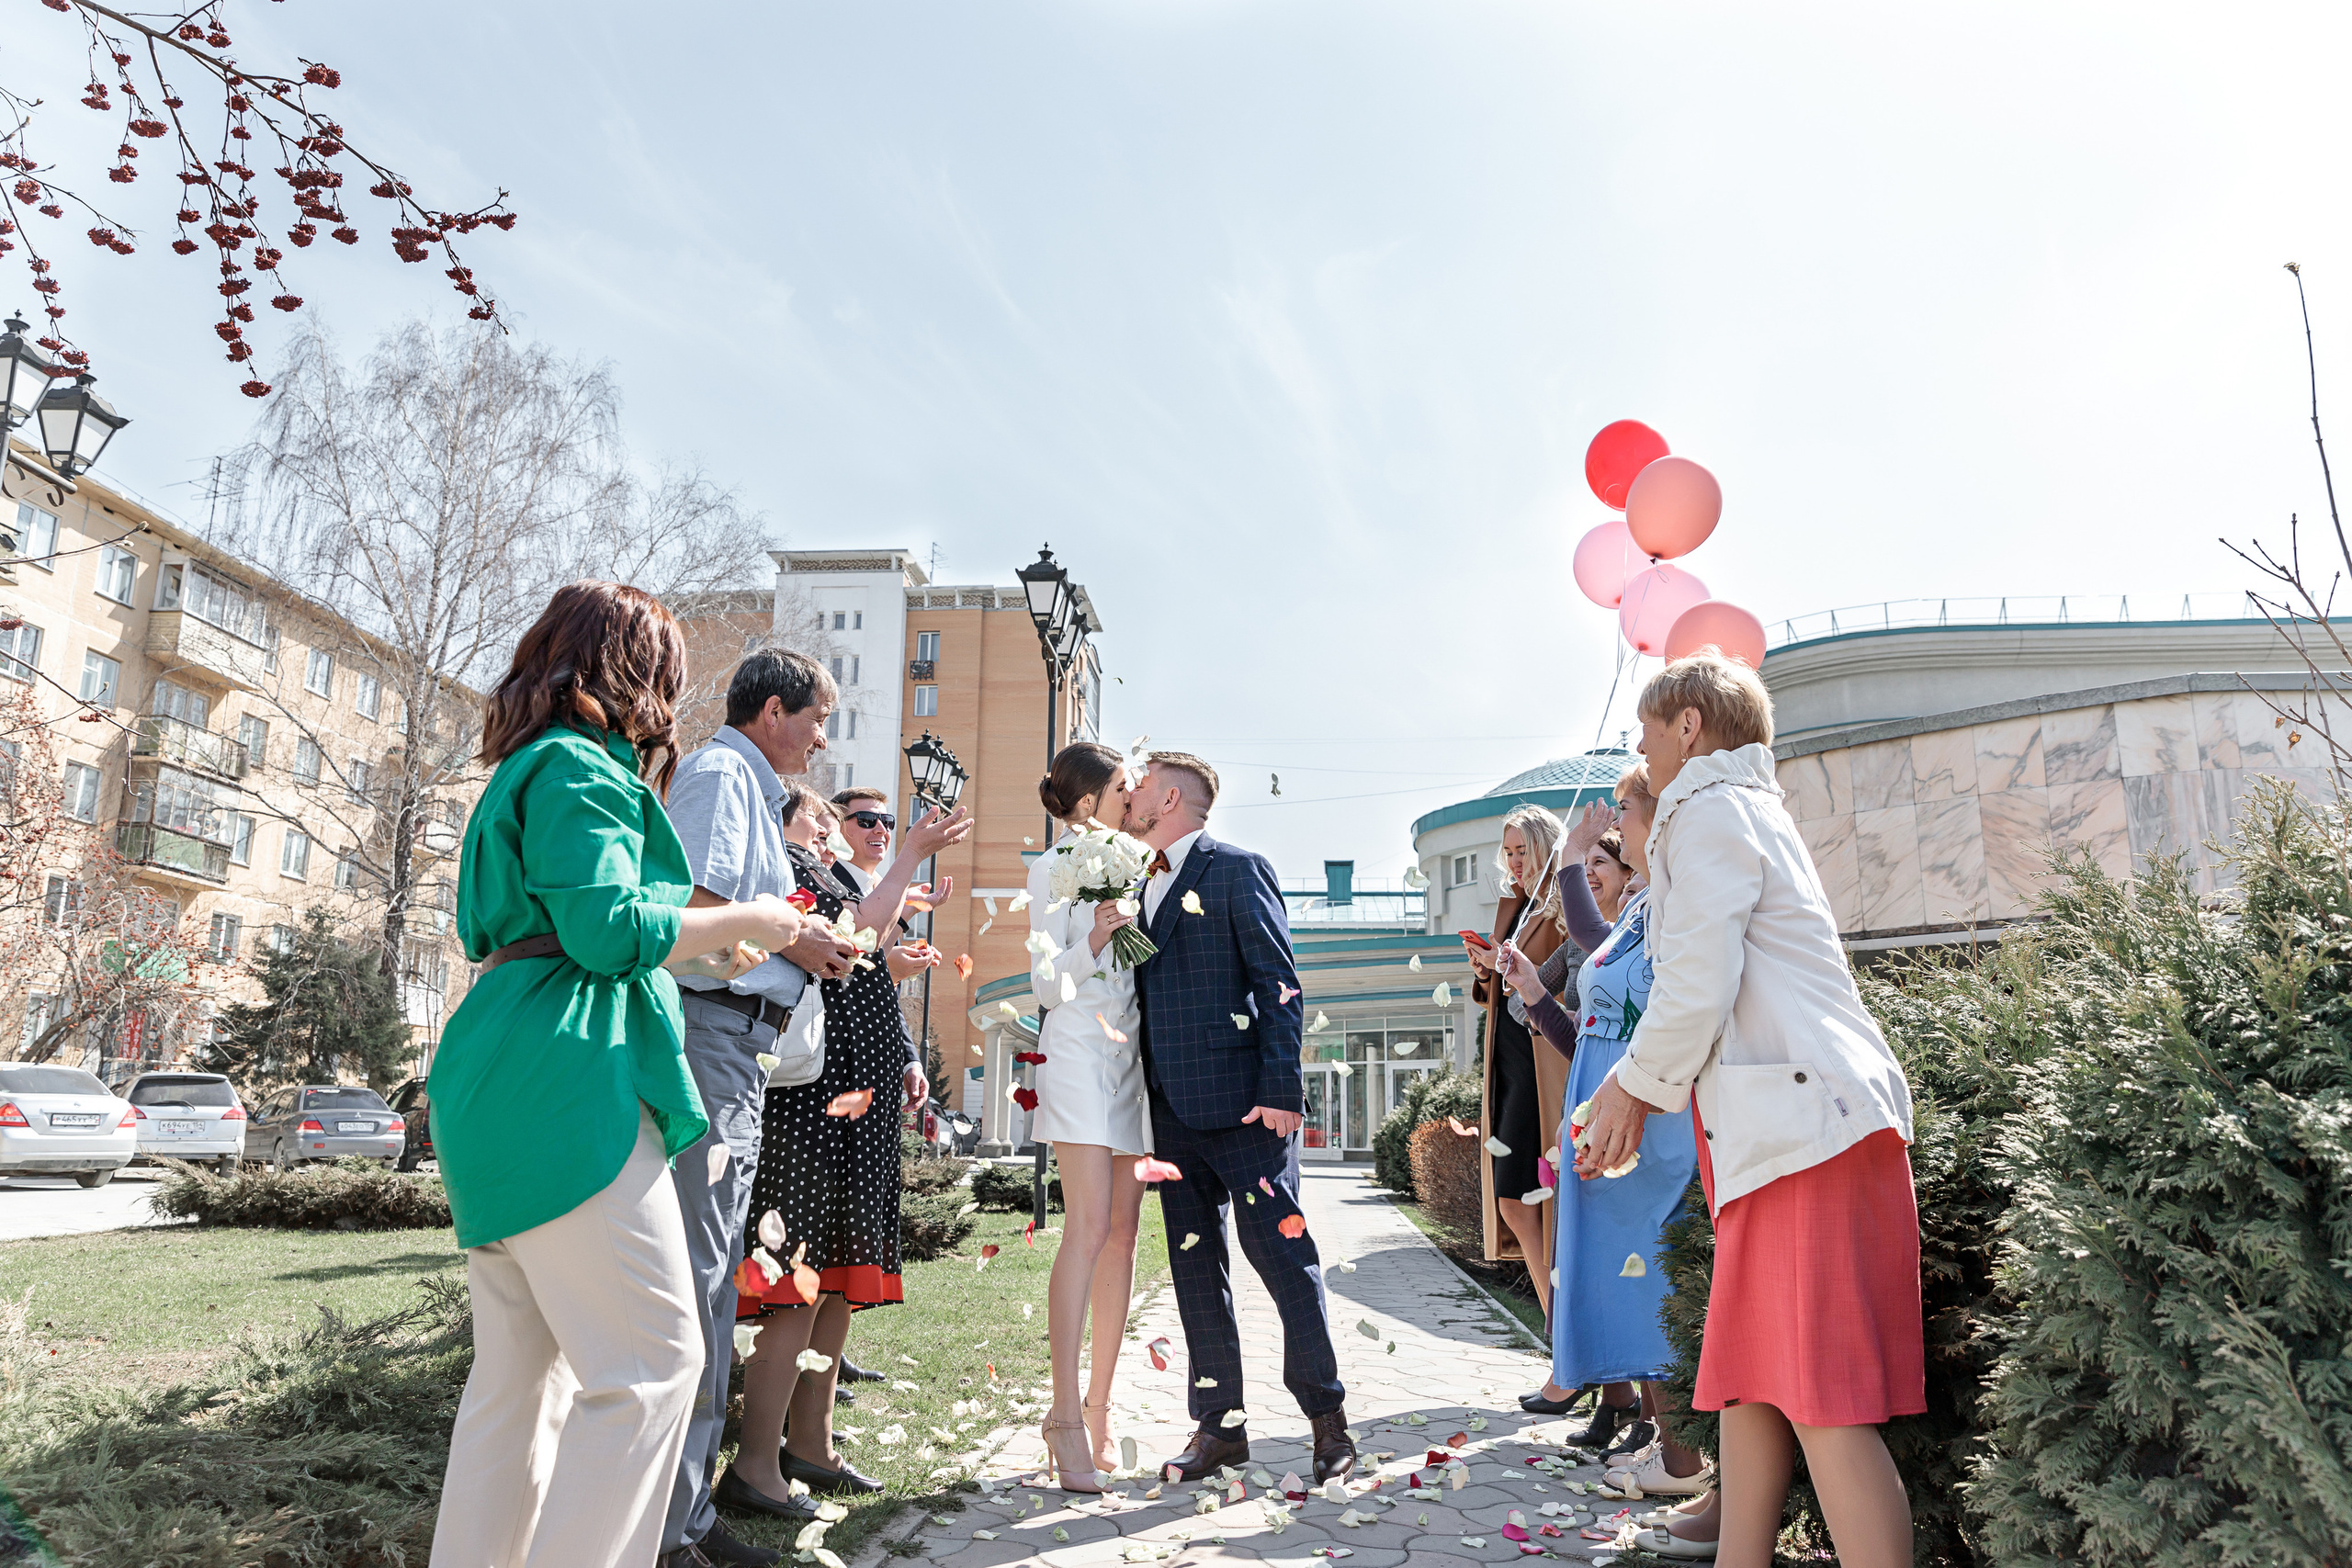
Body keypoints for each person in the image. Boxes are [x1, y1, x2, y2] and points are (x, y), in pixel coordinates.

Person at [430, 581, 814, 1568]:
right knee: (653, 1364)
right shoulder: (579, 766)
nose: (670, 701)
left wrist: (702, 939)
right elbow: (607, 930)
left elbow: (571, 922)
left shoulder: (525, 767)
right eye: (666, 675)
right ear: (631, 671)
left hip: (500, 1062)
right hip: (567, 1068)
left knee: (521, 1386)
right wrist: (755, 921)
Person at [1575, 651, 1922, 1568]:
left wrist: (1631, 1086)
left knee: (1819, 1399)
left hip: (1804, 1135)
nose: (1640, 752)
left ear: (1688, 726)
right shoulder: (1738, 809)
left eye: (1646, 733)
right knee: (1753, 1384)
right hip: (1792, 1131)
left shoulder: (1708, 810)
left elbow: (1697, 980)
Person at [657, 649, 863, 1568]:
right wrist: (794, 934)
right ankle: (675, 1527)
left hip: (736, 1044)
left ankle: (687, 1513)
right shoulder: (720, 774)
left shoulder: (745, 783)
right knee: (701, 1277)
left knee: (711, 1277)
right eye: (817, 719)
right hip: (712, 1036)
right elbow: (691, 909)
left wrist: (801, 939)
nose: (822, 740)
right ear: (773, 710)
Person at [720, 781, 971, 1516]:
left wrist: (902, 1055)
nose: (832, 828)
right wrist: (911, 854)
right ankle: (755, 1463)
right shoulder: (784, 865)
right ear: (785, 819)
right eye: (822, 816)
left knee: (833, 1278)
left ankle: (812, 1441)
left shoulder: (823, 871)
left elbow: (868, 958)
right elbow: (854, 937)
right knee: (795, 1278)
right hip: (810, 1101)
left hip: (851, 1100)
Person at [1130, 752, 1357, 1486]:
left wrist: (1283, 1088)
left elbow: (1279, 982)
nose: (1129, 791)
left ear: (1171, 797)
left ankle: (1328, 1421)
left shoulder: (1236, 868)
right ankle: (1219, 1428)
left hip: (1247, 1110)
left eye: (1141, 782)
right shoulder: (1135, 884)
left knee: (1285, 1262)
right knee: (1197, 1271)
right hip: (1170, 1115)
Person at [1498, 781, 1708, 1496]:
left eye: (1626, 813)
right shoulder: (1645, 907)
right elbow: (1592, 985)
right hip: (1607, 1117)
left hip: (1648, 1123)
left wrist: (1571, 858)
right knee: (1624, 1282)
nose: (1616, 823)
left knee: (1647, 1282)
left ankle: (1681, 1457)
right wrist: (1534, 990)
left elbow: (1591, 937)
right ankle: (1665, 1445)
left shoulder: (1671, 903)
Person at [1023, 741, 1149, 1490]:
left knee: (1125, 1234)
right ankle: (1063, 1414)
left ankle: (1101, 1409)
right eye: (1124, 787)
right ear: (1086, 802)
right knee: (1090, 1226)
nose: (1134, 797)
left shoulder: (1135, 865)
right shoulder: (1050, 868)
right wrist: (1096, 936)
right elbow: (1045, 984)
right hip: (1075, 1056)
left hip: (1128, 1061)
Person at [1464, 803, 1572, 1321]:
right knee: (1514, 1198)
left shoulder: (1566, 901)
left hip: (1541, 1064)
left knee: (1536, 1198)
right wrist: (1486, 970)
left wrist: (1506, 969)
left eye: (1522, 850)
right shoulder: (1517, 906)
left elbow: (1564, 978)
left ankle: (1560, 1327)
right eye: (1507, 852)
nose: (1514, 861)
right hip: (1508, 1065)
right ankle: (1558, 1325)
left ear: (1546, 847)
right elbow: (1503, 992)